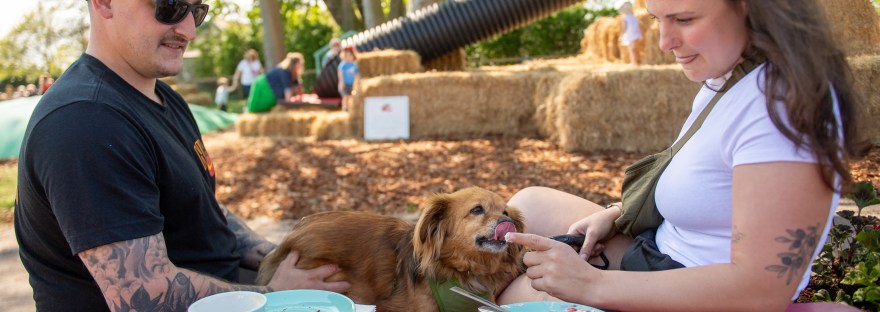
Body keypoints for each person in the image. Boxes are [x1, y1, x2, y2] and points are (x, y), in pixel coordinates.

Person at [497, 0, 866, 311]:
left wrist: (590, 285)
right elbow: (709, 190)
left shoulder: (780, 109)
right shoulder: (730, 77)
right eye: (657, 19)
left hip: (697, 291)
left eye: (684, 20)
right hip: (661, 254)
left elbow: (761, 289)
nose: (664, 42)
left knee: (505, 294)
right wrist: (616, 214)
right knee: (528, 206)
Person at [14, 1, 349, 311]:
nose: (189, 30)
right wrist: (277, 296)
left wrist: (275, 256)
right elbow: (145, 296)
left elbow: (200, 207)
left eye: (196, 10)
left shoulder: (162, 97)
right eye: (170, 7)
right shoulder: (86, 122)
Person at [619, 1, 642, 66]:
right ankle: (635, 62)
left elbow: (624, 28)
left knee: (632, 49)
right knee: (635, 49)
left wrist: (621, 35)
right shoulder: (634, 17)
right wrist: (641, 35)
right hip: (637, 34)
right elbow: (639, 26)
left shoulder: (625, 18)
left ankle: (633, 63)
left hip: (630, 35)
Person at [337, 47, 359, 112]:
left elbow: (356, 74)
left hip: (352, 84)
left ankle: (350, 109)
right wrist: (342, 82)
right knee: (345, 96)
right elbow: (340, 74)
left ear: (353, 56)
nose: (348, 57)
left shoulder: (355, 65)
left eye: (350, 55)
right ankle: (344, 108)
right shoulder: (343, 65)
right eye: (346, 56)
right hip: (345, 84)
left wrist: (358, 81)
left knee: (351, 96)